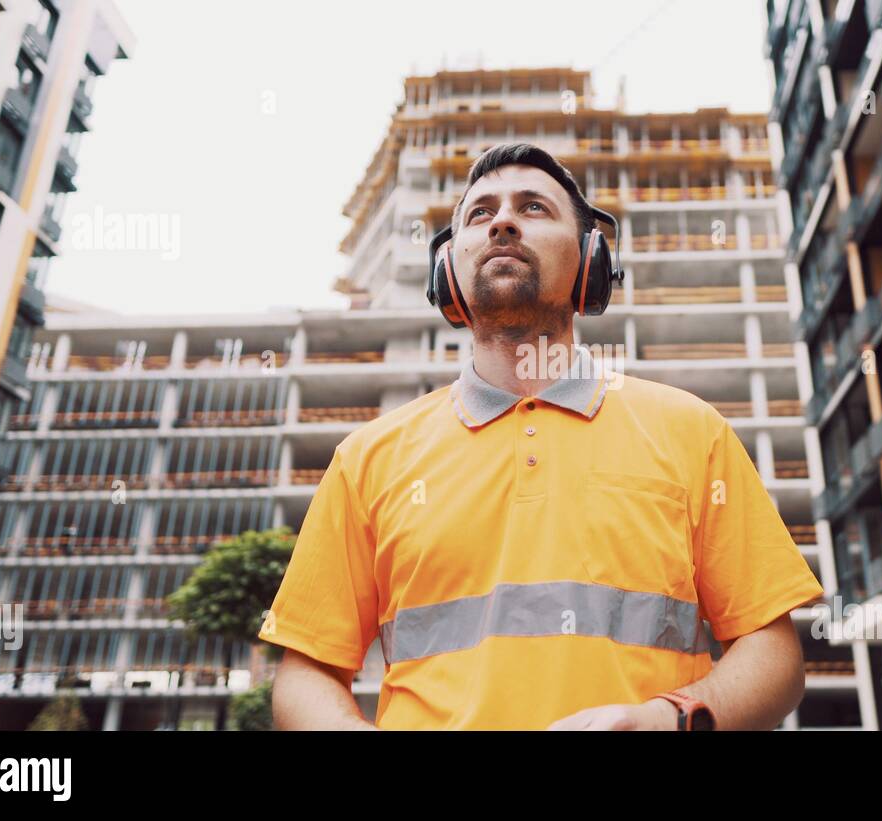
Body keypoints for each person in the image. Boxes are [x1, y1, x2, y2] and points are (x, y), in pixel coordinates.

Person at [262, 142, 824, 730]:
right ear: (447, 271)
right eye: (479, 214)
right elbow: (307, 673)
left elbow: (775, 656)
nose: (502, 220)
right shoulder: (365, 461)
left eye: (534, 208)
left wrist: (662, 722)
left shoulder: (692, 433)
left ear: (590, 261)